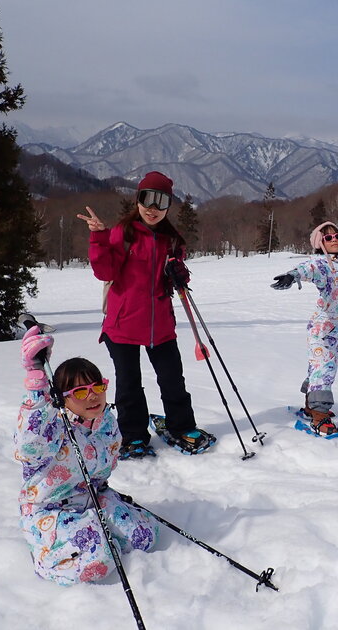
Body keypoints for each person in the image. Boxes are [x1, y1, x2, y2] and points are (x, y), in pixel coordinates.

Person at [77, 171, 215, 458]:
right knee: (129, 384)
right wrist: (98, 237)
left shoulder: (172, 240)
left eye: (160, 202)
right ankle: (133, 435)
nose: (152, 208)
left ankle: (181, 426)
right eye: (147, 199)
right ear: (137, 200)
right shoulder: (124, 233)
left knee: (172, 379)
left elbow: (176, 273)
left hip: (160, 325)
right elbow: (105, 271)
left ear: (168, 206)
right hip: (123, 324)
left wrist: (179, 273)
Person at [14, 325, 159, 586]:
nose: (92, 396)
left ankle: (96, 531)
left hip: (93, 498)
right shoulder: (53, 426)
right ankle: (46, 559)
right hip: (51, 509)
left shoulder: (105, 422)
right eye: (79, 392)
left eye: (97, 387)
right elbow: (29, 446)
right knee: (98, 561)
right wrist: (38, 390)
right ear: (62, 399)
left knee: (143, 537)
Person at [271, 221, 338, 435]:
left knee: (320, 365)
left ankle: (311, 406)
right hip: (323, 328)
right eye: (328, 238)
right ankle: (320, 415)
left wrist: (337, 231)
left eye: (337, 236)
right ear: (320, 243)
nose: (334, 240)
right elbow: (307, 269)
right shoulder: (321, 263)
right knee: (325, 367)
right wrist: (293, 275)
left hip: (337, 329)